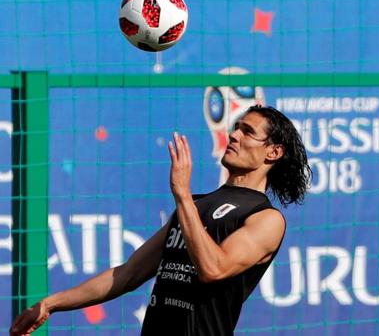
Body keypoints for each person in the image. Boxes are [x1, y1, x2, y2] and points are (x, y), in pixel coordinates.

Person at [10, 105, 311, 336]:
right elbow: (128, 274)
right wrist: (51, 304)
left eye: (247, 131)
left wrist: (181, 193)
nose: (233, 135)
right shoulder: (195, 205)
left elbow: (213, 268)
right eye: (236, 128)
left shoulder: (265, 219)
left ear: (273, 152)